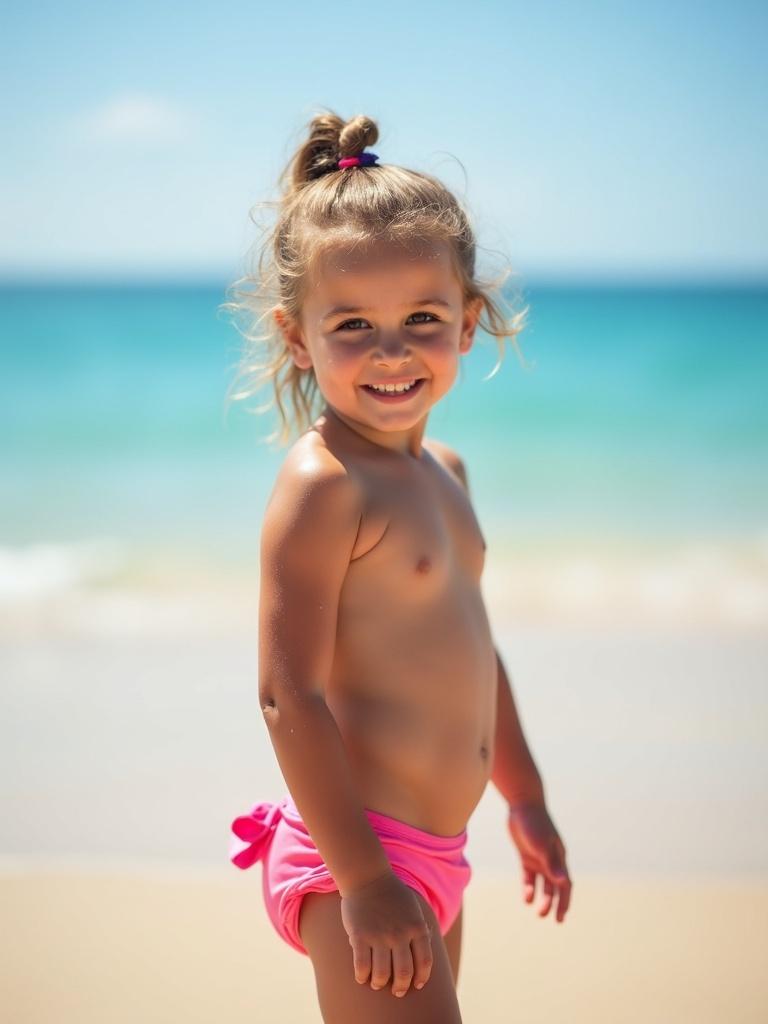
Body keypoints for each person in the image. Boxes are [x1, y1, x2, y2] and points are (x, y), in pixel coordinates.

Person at [224, 109, 572, 1023]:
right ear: (298, 337)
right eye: (352, 325)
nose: (391, 349)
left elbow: (470, 650)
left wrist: (524, 797)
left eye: (423, 316)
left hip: (437, 853)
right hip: (359, 857)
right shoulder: (323, 483)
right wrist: (367, 879)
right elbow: (285, 695)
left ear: (470, 323)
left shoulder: (444, 473)